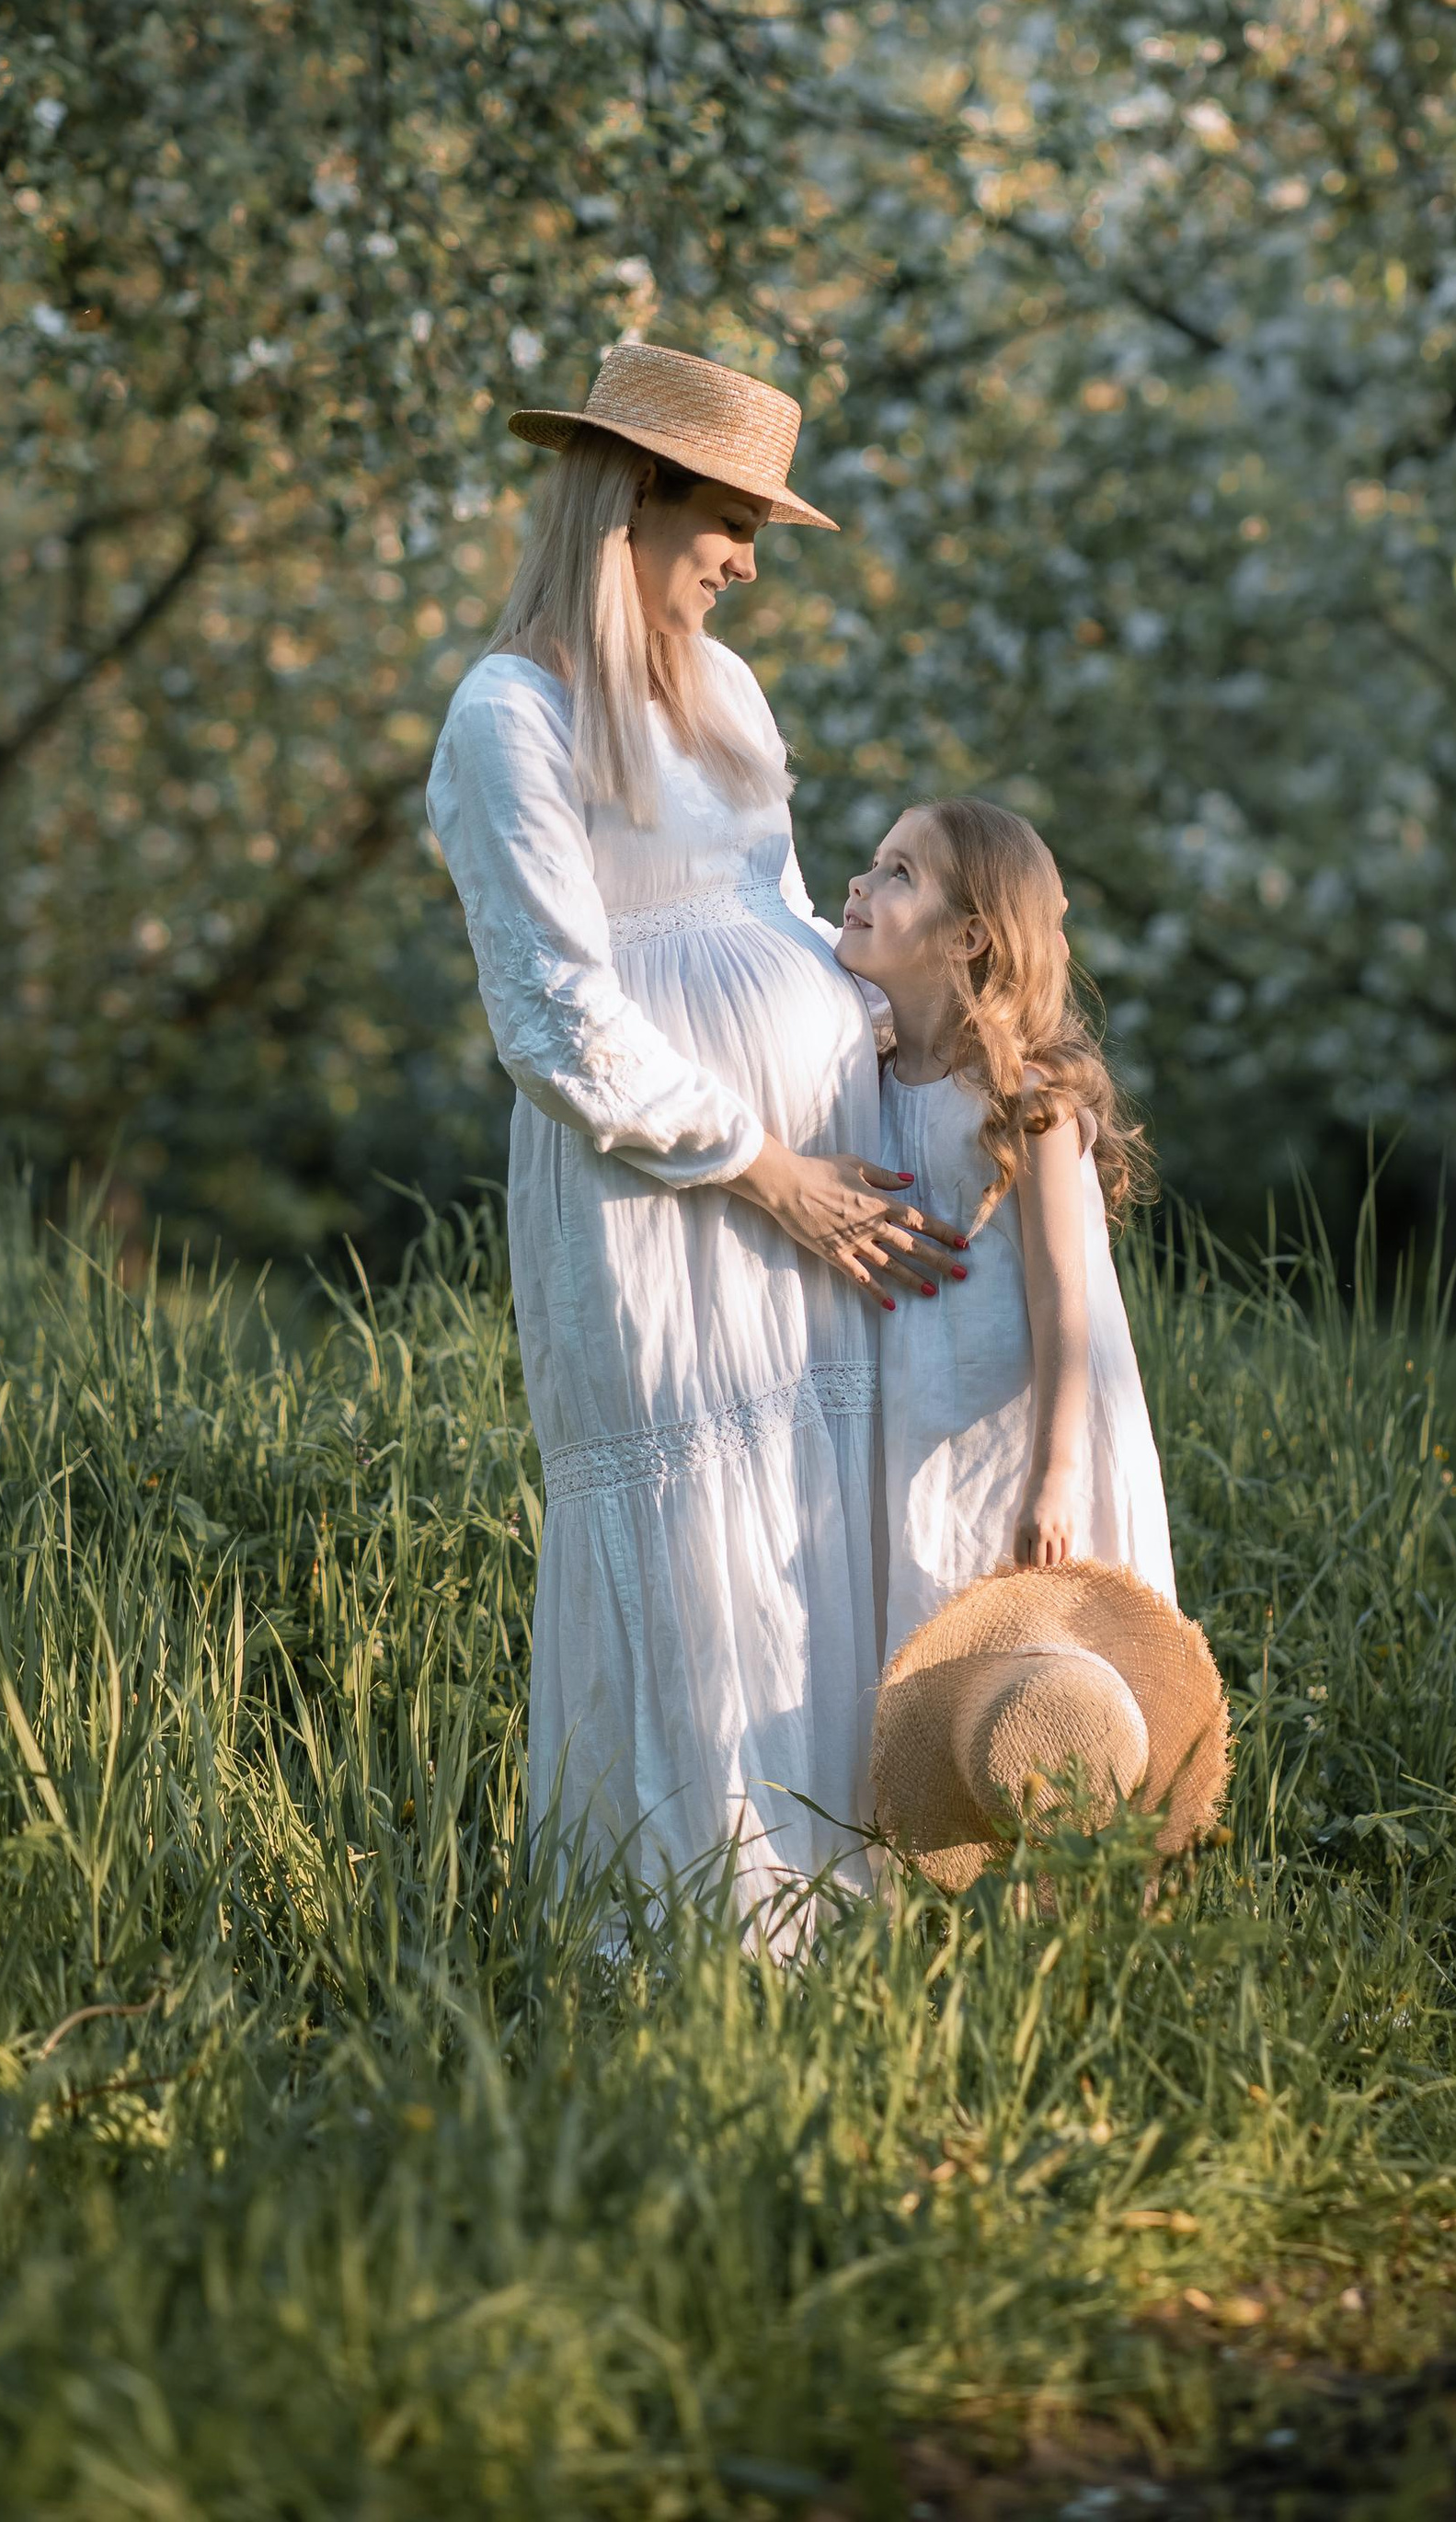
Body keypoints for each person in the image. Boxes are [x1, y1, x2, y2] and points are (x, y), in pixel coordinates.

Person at [425, 342, 963, 1934]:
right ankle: (694, 1932)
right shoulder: (507, 717)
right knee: (686, 1541)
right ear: (627, 500)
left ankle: (844, 1907)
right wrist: (769, 1167)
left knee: (813, 1528)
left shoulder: (725, 687)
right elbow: (555, 1022)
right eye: (728, 518)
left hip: (819, 1178)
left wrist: (910, 1036)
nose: (744, 557)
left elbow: (783, 913)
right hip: (667, 1198)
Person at [835, 797, 1175, 1660]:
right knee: (935, 1656)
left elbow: (1069, 1304)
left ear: (968, 938)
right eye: (877, 863)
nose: (861, 883)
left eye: (900, 873)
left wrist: (1056, 1474)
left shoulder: (1026, 1102)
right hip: (916, 1421)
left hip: (1017, 1437)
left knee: (1038, 1671)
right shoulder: (858, 1081)